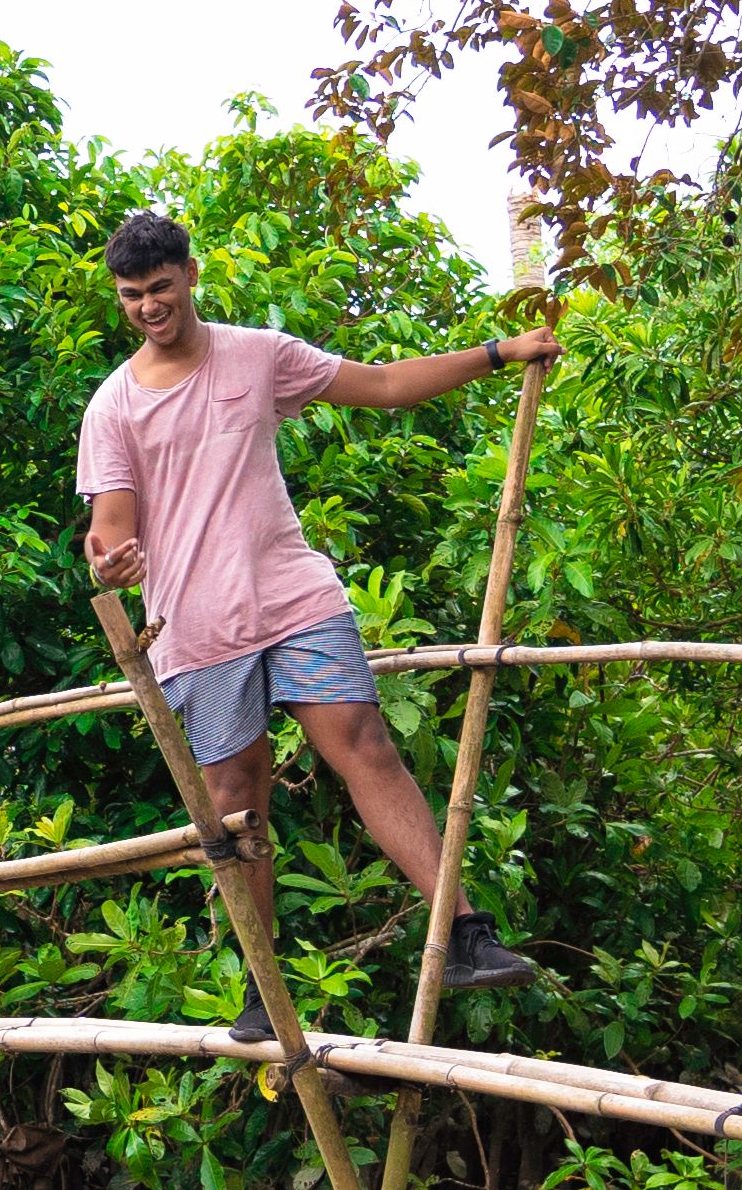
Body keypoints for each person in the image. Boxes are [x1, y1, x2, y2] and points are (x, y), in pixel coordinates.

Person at [75, 205, 557, 1040]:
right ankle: (264, 990)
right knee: (237, 804)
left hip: (294, 597)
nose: (149, 306)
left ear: (190, 275)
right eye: (131, 295)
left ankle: (466, 934)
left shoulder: (257, 355)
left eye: (160, 287)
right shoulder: (113, 407)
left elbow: (382, 385)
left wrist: (496, 354)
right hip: (197, 626)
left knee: (364, 744)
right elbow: (111, 533)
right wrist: (110, 565)